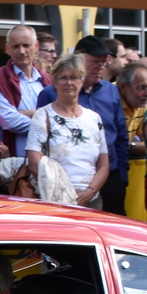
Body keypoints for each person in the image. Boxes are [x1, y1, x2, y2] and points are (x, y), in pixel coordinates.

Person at [35, 36, 129, 213]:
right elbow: (39, 143)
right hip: (66, 180)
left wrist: (122, 175)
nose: (100, 66)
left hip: (110, 177)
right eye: (95, 61)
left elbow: (120, 135)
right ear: (79, 58)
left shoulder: (110, 91)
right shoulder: (51, 93)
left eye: (104, 62)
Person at [27, 55, 109, 207]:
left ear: (82, 80)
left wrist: (90, 192)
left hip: (92, 200)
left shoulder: (94, 118)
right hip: (55, 199)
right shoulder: (43, 115)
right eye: (63, 78)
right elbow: (34, 162)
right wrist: (64, 194)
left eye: (74, 77)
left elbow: (103, 165)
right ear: (54, 81)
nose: (69, 83)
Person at [0, 25, 50, 157]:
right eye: (16, 46)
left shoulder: (48, 80)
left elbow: (61, 113)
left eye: (26, 45)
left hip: (50, 159)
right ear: (7, 49)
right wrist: (48, 126)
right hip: (16, 162)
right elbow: (10, 121)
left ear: (36, 47)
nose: (21, 51)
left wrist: (30, 113)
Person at [117, 62, 147, 221]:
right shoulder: (111, 100)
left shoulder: (145, 104)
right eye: (142, 88)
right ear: (124, 87)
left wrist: (129, 146)